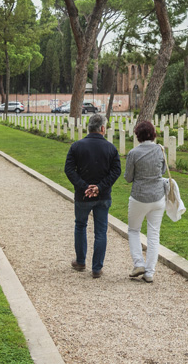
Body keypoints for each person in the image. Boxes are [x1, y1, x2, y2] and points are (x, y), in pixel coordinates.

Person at [64, 113, 121, 278]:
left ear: (89, 128)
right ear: (103, 128)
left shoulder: (76, 146)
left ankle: (81, 261)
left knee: (80, 226)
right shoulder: (111, 148)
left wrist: (84, 187)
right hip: (103, 196)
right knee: (100, 231)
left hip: (83, 196)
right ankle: (97, 268)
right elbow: (116, 171)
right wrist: (99, 188)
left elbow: (69, 170)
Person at [124, 120, 167, 283]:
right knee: (153, 234)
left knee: (134, 230)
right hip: (157, 196)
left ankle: (138, 263)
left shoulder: (134, 153)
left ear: (137, 135)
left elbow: (128, 178)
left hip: (139, 197)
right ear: (153, 134)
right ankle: (149, 272)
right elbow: (162, 170)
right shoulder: (160, 150)